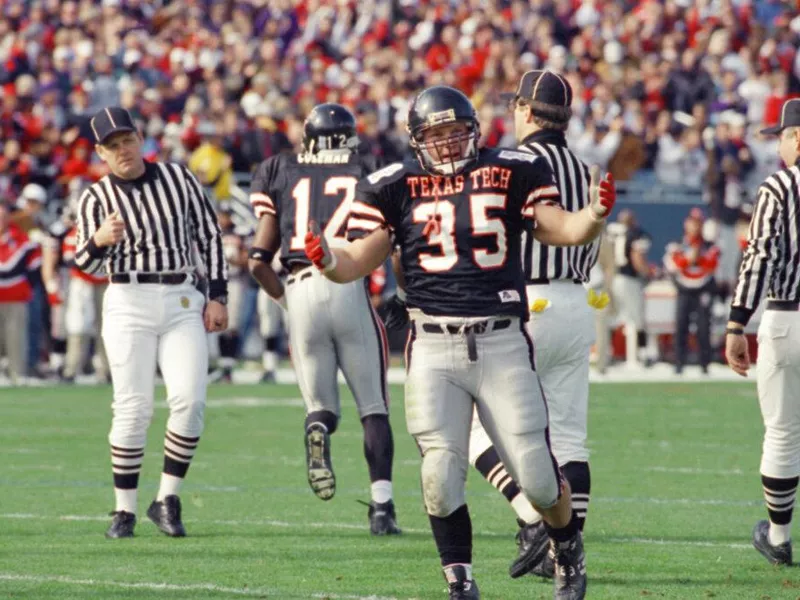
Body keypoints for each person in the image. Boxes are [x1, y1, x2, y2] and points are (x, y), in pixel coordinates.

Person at [305, 85, 616, 599]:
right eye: (436, 134)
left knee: (538, 476)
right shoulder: (395, 184)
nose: (447, 143)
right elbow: (359, 257)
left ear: (473, 130)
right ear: (417, 139)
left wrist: (593, 218)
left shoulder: (510, 170)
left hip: (501, 339)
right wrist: (330, 262)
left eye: (455, 131)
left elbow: (561, 228)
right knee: (439, 472)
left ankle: (567, 546)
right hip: (431, 344)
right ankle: (460, 581)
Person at [247, 103, 401, 536]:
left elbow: (258, 261)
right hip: (348, 282)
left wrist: (285, 305)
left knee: (320, 407)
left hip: (299, 288)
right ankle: (382, 507)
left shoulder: (279, 167)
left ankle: (318, 429)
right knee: (373, 405)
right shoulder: (368, 166)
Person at [74, 106, 228, 539]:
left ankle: (167, 498)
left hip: (181, 297)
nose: (122, 150)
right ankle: (124, 510)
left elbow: (209, 234)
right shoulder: (95, 197)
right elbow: (82, 262)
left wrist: (217, 295)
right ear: (100, 153)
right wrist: (100, 240)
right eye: (112, 145)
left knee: (190, 399)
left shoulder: (178, 179)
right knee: (133, 406)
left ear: (139, 138)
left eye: (127, 140)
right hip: (127, 298)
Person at [725, 99, 800, 567]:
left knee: (782, 433)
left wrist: (737, 322)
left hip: (787, 317)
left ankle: (778, 536)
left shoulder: (780, 187)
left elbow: (760, 257)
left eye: (783, 136)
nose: (779, 145)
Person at [664, 208, 719, 374]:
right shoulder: (678, 244)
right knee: (681, 325)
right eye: (692, 223)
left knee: (704, 326)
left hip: (703, 289)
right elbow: (675, 265)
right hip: (684, 289)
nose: (695, 227)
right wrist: (689, 258)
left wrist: (697, 257)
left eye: (698, 223)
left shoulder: (710, 245)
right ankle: (679, 363)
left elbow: (711, 266)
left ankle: (705, 364)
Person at [0, 202, 42, 386]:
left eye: (3, 216)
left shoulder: (22, 240)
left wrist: (26, 287)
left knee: (16, 337)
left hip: (16, 297)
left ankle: (18, 374)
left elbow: (34, 265)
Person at [607, 209, 653, 366]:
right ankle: (643, 353)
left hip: (613, 278)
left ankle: (608, 352)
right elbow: (637, 257)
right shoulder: (636, 234)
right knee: (638, 317)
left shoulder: (612, 231)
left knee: (614, 316)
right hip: (629, 279)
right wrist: (647, 273)